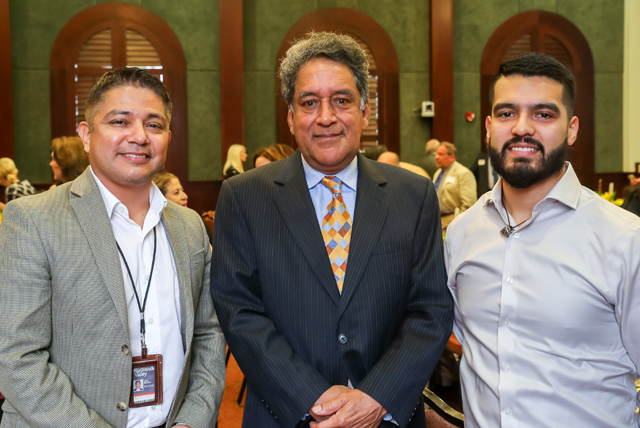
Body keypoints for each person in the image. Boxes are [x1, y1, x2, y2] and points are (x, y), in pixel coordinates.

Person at [211, 31, 453, 428]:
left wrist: (377, 397)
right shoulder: (244, 196)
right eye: (309, 103)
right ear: (291, 117)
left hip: (386, 416)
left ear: (365, 111)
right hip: (286, 414)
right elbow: (239, 311)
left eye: (341, 100)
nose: (326, 117)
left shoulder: (414, 194)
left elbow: (431, 310)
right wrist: (314, 398)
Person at [0, 67, 226, 428]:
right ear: (86, 135)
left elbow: (207, 334)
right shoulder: (32, 220)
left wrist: (193, 420)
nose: (139, 137)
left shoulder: (189, 227)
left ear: (168, 136)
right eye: (120, 121)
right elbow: (16, 357)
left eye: (153, 125)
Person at [445, 53, 640, 428]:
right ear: (488, 126)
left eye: (543, 114)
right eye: (506, 113)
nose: (521, 128)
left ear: (572, 129)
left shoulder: (623, 239)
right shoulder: (462, 233)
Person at [432, 142, 477, 228]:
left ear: (452, 157)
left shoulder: (464, 174)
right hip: (437, 219)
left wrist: (458, 223)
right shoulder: (438, 173)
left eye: (440, 154)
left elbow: (469, 205)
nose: (436, 157)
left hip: (452, 221)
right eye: (436, 154)